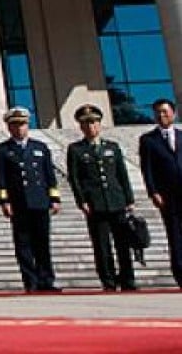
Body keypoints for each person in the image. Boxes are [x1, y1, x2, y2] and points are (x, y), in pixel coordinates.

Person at [66, 103, 136, 291]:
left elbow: (121, 175)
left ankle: (128, 279)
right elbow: (75, 178)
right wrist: (82, 201)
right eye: (86, 124)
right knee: (102, 246)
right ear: (81, 127)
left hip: (116, 201)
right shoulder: (76, 150)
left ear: (100, 124)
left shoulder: (112, 147)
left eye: (94, 123)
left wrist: (129, 199)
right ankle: (108, 280)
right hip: (95, 203)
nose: (91, 127)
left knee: (123, 244)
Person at [0, 106, 61, 293]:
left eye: (22, 124)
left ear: (27, 125)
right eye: (15, 125)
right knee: (23, 244)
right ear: (9, 127)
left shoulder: (40, 147)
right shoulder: (2, 150)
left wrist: (54, 198)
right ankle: (30, 281)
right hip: (18, 203)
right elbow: (1, 179)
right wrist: (4, 202)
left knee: (42, 243)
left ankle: (46, 280)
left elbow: (49, 175)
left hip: (39, 201)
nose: (19, 128)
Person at [139, 98, 182, 289]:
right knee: (175, 235)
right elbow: (146, 168)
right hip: (168, 196)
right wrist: (153, 191)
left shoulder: (181, 135)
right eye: (158, 112)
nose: (161, 115)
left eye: (165, 111)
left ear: (174, 113)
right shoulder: (148, 140)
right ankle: (180, 272)